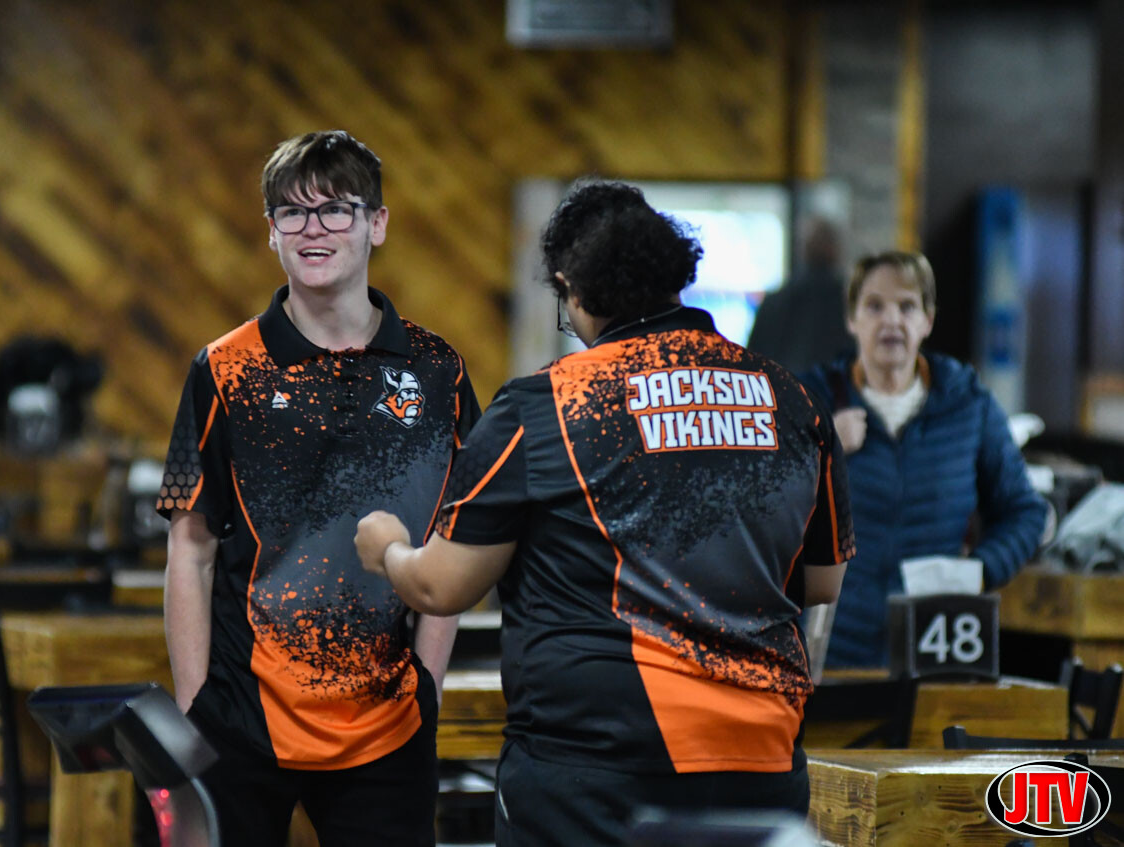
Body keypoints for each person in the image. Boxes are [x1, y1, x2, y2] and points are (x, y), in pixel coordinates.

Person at [355, 180, 854, 847]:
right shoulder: (790, 398)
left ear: (573, 289)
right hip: (761, 759)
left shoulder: (545, 405)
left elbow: (441, 586)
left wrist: (388, 547)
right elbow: (823, 580)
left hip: (596, 772)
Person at [155, 130, 479, 846]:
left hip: (389, 723)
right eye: (292, 213)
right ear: (271, 232)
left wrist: (427, 685)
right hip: (241, 718)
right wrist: (196, 703)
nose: (313, 228)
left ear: (376, 224)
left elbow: (455, 537)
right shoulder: (222, 368)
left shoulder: (439, 371)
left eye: (336, 209)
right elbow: (190, 545)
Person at [799, 250, 1046, 668]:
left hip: (935, 649)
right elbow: (761, 506)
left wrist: (980, 571)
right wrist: (822, 448)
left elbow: (1025, 511)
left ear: (928, 320)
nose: (891, 320)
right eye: (875, 306)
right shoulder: (811, 400)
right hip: (834, 653)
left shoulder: (968, 404)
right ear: (852, 319)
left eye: (907, 306)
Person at [745, 216, 853, 373]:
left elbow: (751, 362)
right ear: (836, 250)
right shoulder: (850, 306)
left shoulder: (774, 303)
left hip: (781, 386)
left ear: (802, 249)